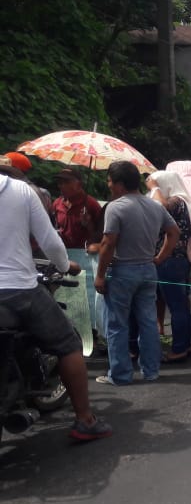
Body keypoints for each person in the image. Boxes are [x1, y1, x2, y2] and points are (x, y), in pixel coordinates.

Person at [0, 160, 111, 439]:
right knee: (68, 344)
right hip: (18, 289)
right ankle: (85, 419)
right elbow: (49, 241)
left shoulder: (88, 205)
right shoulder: (22, 192)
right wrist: (64, 266)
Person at [94, 161, 179, 386]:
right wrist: (160, 257)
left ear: (120, 184)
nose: (109, 185)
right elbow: (174, 232)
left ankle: (120, 375)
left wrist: (100, 275)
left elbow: (108, 242)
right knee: (148, 322)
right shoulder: (154, 206)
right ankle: (151, 370)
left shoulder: (116, 207)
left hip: (122, 270)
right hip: (148, 269)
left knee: (117, 325)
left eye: (110, 181)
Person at [145, 171, 191, 363]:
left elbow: (161, 207)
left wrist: (154, 188)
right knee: (180, 304)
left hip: (169, 259)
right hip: (176, 260)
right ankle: (185, 344)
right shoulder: (183, 202)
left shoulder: (176, 201)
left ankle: (179, 348)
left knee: (176, 306)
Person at [51, 166, 103, 249]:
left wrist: (89, 225)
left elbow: (101, 237)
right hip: (62, 253)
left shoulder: (92, 205)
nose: (62, 186)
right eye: (60, 183)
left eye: (67, 182)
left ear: (79, 184)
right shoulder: (57, 203)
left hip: (84, 255)